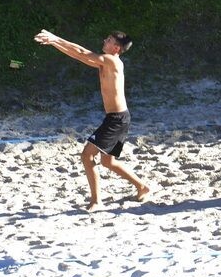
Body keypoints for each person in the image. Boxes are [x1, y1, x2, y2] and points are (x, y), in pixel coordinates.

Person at [34, 28, 152, 210]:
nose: (105, 40)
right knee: (108, 162)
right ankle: (142, 187)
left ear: (116, 48)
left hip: (116, 120)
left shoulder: (112, 61)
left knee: (87, 155)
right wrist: (53, 42)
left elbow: (82, 52)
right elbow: (78, 56)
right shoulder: (105, 62)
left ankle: (96, 201)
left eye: (109, 40)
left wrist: (55, 37)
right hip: (118, 118)